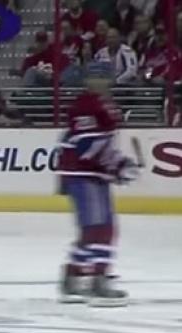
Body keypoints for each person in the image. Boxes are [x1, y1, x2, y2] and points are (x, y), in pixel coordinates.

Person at [56, 62, 139, 308]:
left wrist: (117, 165)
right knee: (101, 229)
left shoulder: (99, 104)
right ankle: (97, 281)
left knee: (94, 229)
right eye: (95, 77)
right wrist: (118, 166)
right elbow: (86, 146)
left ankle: (73, 277)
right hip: (83, 175)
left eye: (103, 77)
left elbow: (96, 146)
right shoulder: (86, 104)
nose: (100, 81)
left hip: (89, 175)